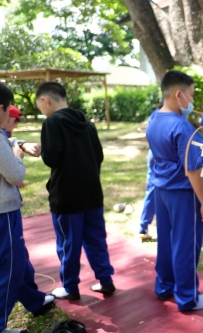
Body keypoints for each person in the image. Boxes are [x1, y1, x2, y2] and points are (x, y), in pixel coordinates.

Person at [36, 82, 115, 300]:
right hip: (92, 192)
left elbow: (52, 158)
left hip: (66, 196)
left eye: (39, 107)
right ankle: (106, 280)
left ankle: (70, 287)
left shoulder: (52, 123)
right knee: (96, 239)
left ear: (46, 100)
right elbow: (98, 155)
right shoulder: (87, 123)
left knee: (68, 243)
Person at [146, 70, 203, 311]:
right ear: (178, 94)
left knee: (166, 241)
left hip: (161, 191)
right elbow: (193, 171)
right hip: (182, 194)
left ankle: (164, 286)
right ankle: (187, 297)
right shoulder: (183, 127)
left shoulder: (154, 119)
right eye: (191, 95)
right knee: (185, 245)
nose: (193, 101)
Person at [1, 83, 55, 333]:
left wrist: (19, 144)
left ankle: (34, 300)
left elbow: (8, 140)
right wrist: (18, 155)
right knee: (11, 268)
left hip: (6, 212)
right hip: (4, 213)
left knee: (18, 260)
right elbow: (15, 174)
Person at [138, 105, 161, 240]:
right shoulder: (163, 115)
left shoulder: (156, 113)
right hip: (158, 154)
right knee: (153, 190)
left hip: (155, 153)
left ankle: (144, 226)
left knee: (152, 189)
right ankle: (144, 226)